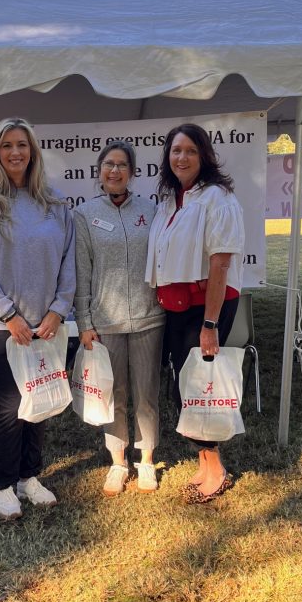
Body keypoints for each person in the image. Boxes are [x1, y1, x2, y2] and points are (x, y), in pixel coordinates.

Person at [0, 117, 75, 521]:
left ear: (33, 151)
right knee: (12, 406)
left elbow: (69, 262)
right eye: (7, 145)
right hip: (1, 327)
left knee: (40, 401)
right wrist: (8, 315)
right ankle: (3, 485)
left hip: (46, 325)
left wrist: (59, 309)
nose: (15, 152)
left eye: (22, 145)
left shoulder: (54, 202)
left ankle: (30, 477)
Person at [145, 123, 245, 504]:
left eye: (189, 151)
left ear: (204, 156)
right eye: (175, 151)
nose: (181, 158)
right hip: (177, 307)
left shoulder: (218, 199)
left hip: (206, 306)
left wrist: (210, 325)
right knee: (184, 386)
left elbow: (220, 265)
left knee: (202, 386)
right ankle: (204, 463)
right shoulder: (174, 199)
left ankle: (215, 466)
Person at [73, 140, 165, 496]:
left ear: (133, 172)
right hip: (104, 322)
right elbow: (83, 272)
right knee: (114, 394)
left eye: (122, 165)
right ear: (99, 171)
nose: (115, 170)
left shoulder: (151, 210)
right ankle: (117, 461)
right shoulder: (84, 215)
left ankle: (145, 460)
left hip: (148, 319)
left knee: (146, 394)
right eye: (109, 164)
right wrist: (84, 322)